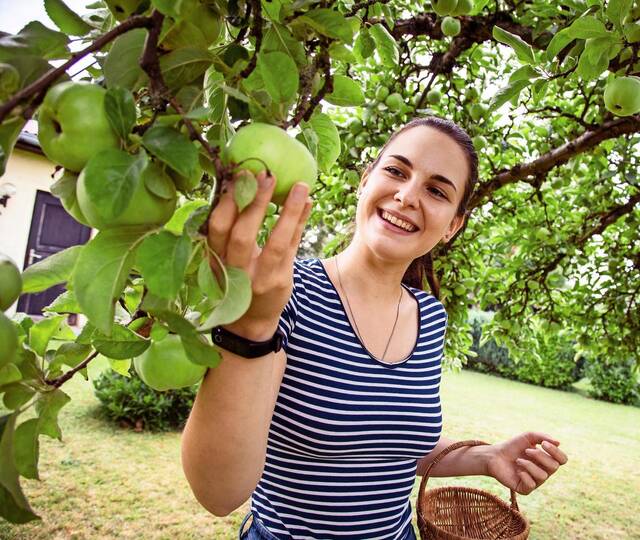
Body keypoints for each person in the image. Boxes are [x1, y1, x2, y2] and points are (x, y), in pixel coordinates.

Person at [181, 116, 569, 539]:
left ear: (452, 226)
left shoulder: (430, 317)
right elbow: (218, 493)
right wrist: (251, 325)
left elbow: (391, 449)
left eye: (436, 191)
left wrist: (487, 457)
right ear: (365, 181)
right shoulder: (283, 293)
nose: (407, 196)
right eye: (397, 171)